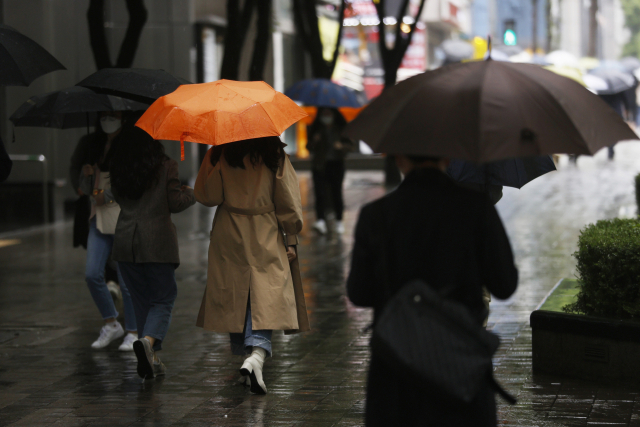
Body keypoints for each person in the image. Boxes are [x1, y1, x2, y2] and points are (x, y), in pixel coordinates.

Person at [347, 155, 518, 426]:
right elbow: (505, 284)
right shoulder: (476, 208)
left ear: (400, 158)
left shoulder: (376, 214)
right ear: (447, 156)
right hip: (460, 372)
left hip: (396, 374)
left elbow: (359, 292)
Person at [194, 136, 309, 395]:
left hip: (229, 231)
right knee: (264, 294)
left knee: (236, 295)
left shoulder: (220, 153)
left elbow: (206, 195)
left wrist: (212, 159)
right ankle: (256, 355)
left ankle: (248, 360)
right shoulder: (274, 154)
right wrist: (290, 236)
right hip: (264, 229)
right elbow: (288, 199)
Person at [108, 127, 195, 379]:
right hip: (157, 243)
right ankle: (147, 342)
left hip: (125, 242)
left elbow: (118, 198)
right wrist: (191, 192)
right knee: (163, 298)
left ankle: (151, 355)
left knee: (140, 300)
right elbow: (175, 203)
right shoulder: (165, 165)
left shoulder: (119, 168)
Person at [78, 111, 138, 351]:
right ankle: (112, 323)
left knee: (126, 281)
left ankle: (133, 331)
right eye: (103, 115)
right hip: (98, 219)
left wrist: (105, 195)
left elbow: (130, 183)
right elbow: (85, 190)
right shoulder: (94, 145)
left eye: (112, 115)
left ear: (123, 118)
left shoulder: (130, 147)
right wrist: (86, 177)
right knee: (92, 274)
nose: (107, 120)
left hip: (121, 219)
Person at [307, 108, 355, 235]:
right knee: (319, 193)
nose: (326, 116)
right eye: (324, 114)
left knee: (336, 192)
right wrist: (314, 142)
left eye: (328, 113)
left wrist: (341, 147)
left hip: (336, 165)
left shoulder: (340, 129)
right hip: (320, 166)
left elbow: (351, 146)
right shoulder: (316, 129)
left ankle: (339, 220)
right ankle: (320, 220)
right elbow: (308, 147)